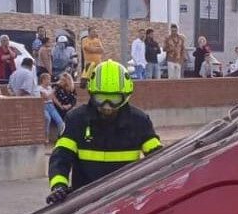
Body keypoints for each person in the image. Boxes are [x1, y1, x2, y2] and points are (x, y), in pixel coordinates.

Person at [47, 60, 162, 204]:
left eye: (114, 99)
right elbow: (61, 157)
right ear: (92, 93)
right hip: (84, 202)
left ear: (126, 95)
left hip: (126, 200)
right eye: (100, 98)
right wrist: (59, 186)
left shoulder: (139, 121)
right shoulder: (76, 120)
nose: (107, 106)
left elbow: (158, 157)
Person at [39, 72, 64, 142]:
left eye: (49, 79)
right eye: (48, 79)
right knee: (47, 119)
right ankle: (46, 137)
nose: (49, 81)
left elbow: (53, 98)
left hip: (51, 106)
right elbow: (46, 97)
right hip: (43, 106)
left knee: (60, 121)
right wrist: (54, 89)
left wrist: (60, 106)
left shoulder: (49, 87)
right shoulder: (39, 88)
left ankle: (60, 137)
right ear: (43, 80)